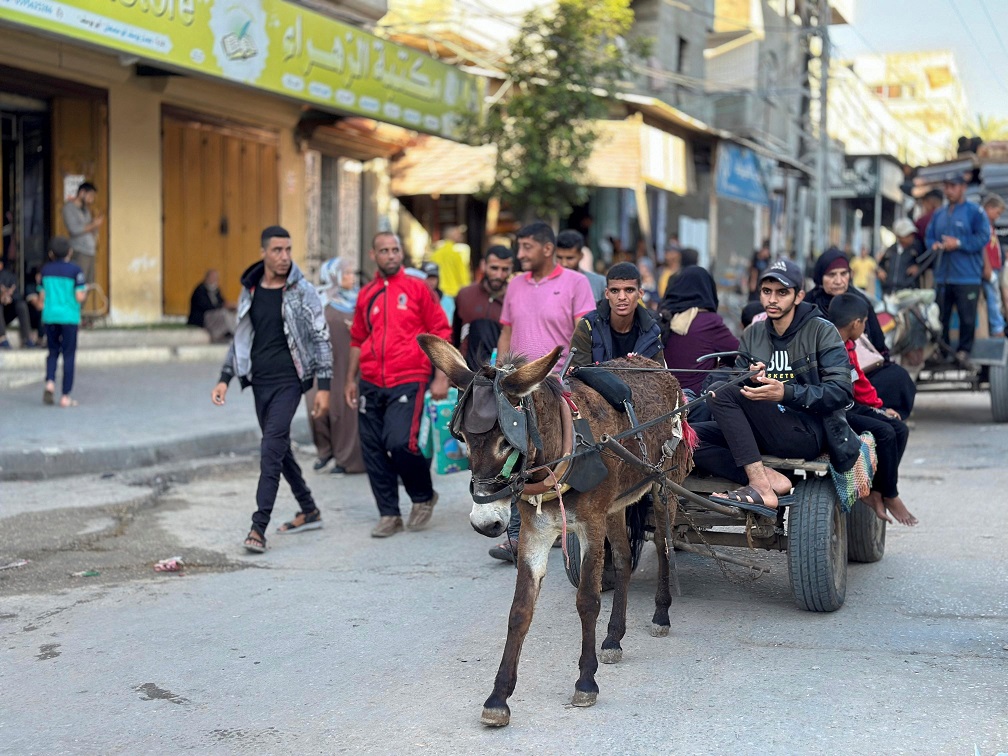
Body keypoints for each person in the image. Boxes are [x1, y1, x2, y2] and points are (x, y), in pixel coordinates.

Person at [691, 259, 854, 515]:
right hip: (761, 427)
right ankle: (767, 478)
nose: (772, 300)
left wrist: (786, 392)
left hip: (806, 431)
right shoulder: (754, 333)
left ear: (799, 296)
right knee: (685, 437)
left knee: (722, 391)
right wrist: (748, 378)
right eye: (767, 292)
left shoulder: (822, 331)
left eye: (782, 292)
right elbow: (738, 386)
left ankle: (760, 487)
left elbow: (841, 391)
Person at [211, 226, 332, 554]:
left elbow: (321, 336)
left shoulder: (302, 290)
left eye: (288, 250)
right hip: (259, 383)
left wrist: (324, 386)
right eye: (277, 250)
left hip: (290, 382)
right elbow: (241, 337)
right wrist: (225, 377)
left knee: (270, 448)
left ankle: (258, 526)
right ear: (264, 252)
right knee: (279, 447)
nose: (284, 257)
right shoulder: (250, 289)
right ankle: (309, 509)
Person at [491, 221, 596, 562]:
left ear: (547, 249)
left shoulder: (575, 283)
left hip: (558, 388)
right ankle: (515, 536)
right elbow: (506, 332)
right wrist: (499, 375)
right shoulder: (516, 285)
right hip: (517, 391)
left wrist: (573, 379)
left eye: (526, 247)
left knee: (558, 459)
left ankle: (565, 525)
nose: (519, 254)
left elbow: (584, 335)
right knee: (510, 456)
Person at [346, 232, 452, 538]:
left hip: (409, 377)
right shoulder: (367, 293)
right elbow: (357, 338)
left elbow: (440, 330)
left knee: (400, 442)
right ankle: (389, 514)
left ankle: (422, 496)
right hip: (369, 381)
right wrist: (350, 380)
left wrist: (442, 376)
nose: (391, 255)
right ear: (373, 255)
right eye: (384, 251)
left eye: (395, 250)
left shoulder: (417, 288)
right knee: (373, 449)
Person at [827, 293, 917, 527]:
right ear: (856, 323)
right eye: (864, 323)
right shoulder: (827, 345)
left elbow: (859, 382)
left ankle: (879, 489)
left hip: (852, 405)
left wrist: (880, 407)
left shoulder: (849, 344)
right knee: (885, 433)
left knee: (899, 429)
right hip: (835, 411)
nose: (865, 328)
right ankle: (890, 493)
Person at [806, 247, 917, 419]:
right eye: (831, 275)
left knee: (898, 377)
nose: (838, 280)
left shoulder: (860, 301)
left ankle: (886, 414)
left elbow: (878, 343)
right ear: (820, 276)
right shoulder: (808, 305)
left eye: (844, 274)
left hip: (861, 369)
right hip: (821, 373)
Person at [306, 257, 365, 477]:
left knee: (346, 410)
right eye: (346, 273)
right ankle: (325, 450)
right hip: (323, 361)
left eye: (351, 273)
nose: (351, 277)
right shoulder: (319, 299)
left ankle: (347, 459)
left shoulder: (360, 300)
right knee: (317, 407)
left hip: (349, 361)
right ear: (334, 276)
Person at [925, 172, 991, 363]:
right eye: (946, 186)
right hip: (943, 277)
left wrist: (959, 243)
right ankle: (942, 350)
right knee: (940, 317)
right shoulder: (939, 214)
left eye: (953, 186)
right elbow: (929, 237)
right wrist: (934, 245)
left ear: (963, 188)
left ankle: (964, 351)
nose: (949, 190)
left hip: (967, 277)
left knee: (967, 318)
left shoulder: (975, 211)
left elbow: (983, 237)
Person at [568, 262, 664, 370]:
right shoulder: (587, 326)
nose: (622, 297)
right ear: (607, 294)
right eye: (615, 291)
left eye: (629, 290)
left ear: (640, 294)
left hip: (641, 386)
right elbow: (577, 379)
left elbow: (659, 378)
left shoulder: (652, 331)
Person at [660, 266, 739, 395]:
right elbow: (739, 353)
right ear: (708, 289)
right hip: (697, 401)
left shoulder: (664, 318)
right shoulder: (709, 321)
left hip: (666, 399)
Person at [39, 237, 86, 406]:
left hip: (50, 316)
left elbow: (42, 296)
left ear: (51, 254)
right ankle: (65, 396)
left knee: (52, 352)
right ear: (70, 252)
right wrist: (85, 291)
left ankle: (50, 383)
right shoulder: (76, 270)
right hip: (69, 318)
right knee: (68, 354)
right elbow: (79, 296)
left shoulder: (45, 270)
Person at [452, 245, 513, 370]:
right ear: (483, 265)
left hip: (501, 373)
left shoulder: (515, 299)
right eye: (494, 268)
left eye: (504, 269)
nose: (499, 275)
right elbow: (454, 336)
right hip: (466, 371)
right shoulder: (465, 295)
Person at [61, 181, 103, 286]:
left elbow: (89, 228)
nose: (91, 200)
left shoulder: (86, 210)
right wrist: (93, 224)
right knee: (79, 284)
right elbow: (74, 229)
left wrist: (95, 225)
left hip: (90, 251)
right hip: (79, 251)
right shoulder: (69, 208)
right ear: (82, 193)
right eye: (90, 196)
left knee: (89, 283)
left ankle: (81, 303)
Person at [556, 229, 606, 302]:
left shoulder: (599, 283)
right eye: (559, 257)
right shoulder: (545, 283)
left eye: (570, 258)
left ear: (581, 256)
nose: (564, 263)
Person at [878, 218, 925, 294]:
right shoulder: (890, 250)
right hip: (889, 291)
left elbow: (925, 263)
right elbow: (880, 265)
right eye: (907, 235)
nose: (911, 237)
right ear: (899, 236)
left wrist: (918, 267)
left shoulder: (917, 249)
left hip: (909, 291)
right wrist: (880, 271)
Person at [981, 195, 1006, 338]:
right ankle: (997, 329)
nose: (998, 217)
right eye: (997, 213)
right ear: (989, 208)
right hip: (989, 269)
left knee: (995, 298)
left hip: (994, 267)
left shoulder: (989, 224)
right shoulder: (982, 224)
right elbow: (984, 247)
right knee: (993, 299)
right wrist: (987, 267)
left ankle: (998, 326)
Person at [187, 269, 235, 342]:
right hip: (203, 316)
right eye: (213, 278)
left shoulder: (216, 290)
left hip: (213, 313)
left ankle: (231, 332)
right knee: (223, 314)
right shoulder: (200, 290)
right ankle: (219, 333)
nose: (214, 280)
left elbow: (221, 301)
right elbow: (206, 306)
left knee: (231, 313)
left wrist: (230, 306)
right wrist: (222, 306)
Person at [0, 256, 35, 348]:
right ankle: (2, 339)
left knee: (21, 305)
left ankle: (27, 339)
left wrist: (8, 297)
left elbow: (17, 295)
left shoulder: (9, 276)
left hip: (7, 311)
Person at [426, 225, 471, 298]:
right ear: (453, 236)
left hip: (440, 292)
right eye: (458, 234)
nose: (460, 236)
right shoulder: (456, 254)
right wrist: (468, 291)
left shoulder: (435, 254)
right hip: (454, 293)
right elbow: (463, 275)